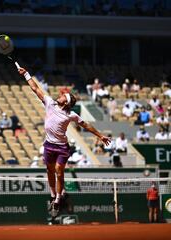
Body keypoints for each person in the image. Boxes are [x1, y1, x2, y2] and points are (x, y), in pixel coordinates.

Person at [18, 66, 110, 218]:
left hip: (62, 148)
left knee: (59, 171)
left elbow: (85, 125)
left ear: (65, 103)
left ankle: (58, 198)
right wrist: (26, 74)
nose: (60, 95)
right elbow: (35, 89)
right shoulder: (49, 103)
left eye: (63, 96)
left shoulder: (71, 114)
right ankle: (53, 194)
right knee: (49, 170)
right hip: (48, 145)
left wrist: (100, 136)